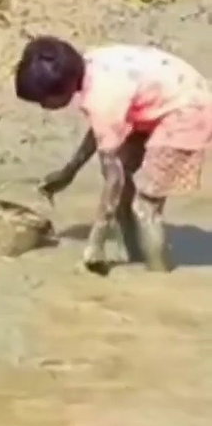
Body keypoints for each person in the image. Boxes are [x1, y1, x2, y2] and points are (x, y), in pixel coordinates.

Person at [15, 36, 212, 273]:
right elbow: (102, 132)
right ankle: (136, 254)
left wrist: (96, 242)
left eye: (44, 101)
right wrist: (69, 171)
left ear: (63, 89)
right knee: (123, 185)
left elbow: (113, 178)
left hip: (189, 113)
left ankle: (159, 275)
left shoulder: (102, 97)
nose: (44, 108)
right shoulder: (90, 64)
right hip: (166, 99)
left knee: (145, 206)